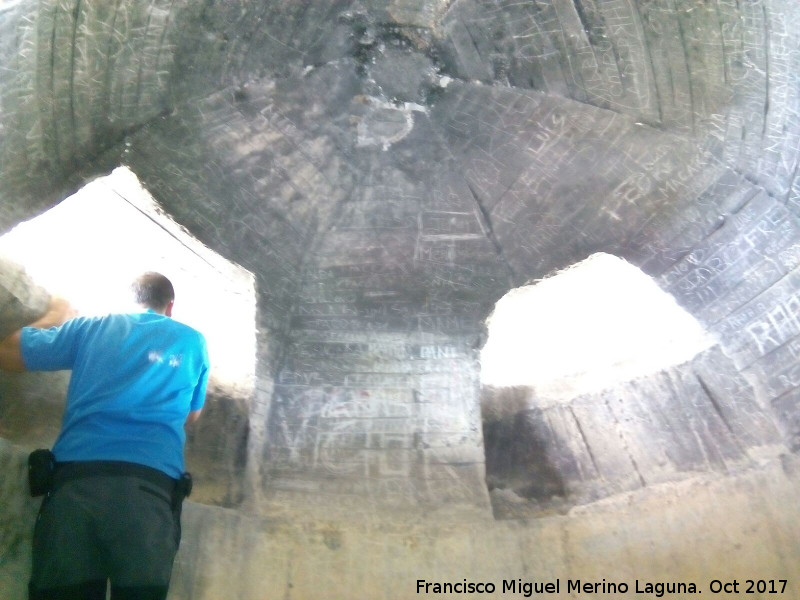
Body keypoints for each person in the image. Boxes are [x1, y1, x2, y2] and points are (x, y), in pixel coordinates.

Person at [0, 272, 209, 600]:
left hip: (77, 485)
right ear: (170, 306)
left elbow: (8, 353)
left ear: (131, 301)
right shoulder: (192, 341)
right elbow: (191, 416)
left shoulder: (93, 327)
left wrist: (56, 315)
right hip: (151, 493)